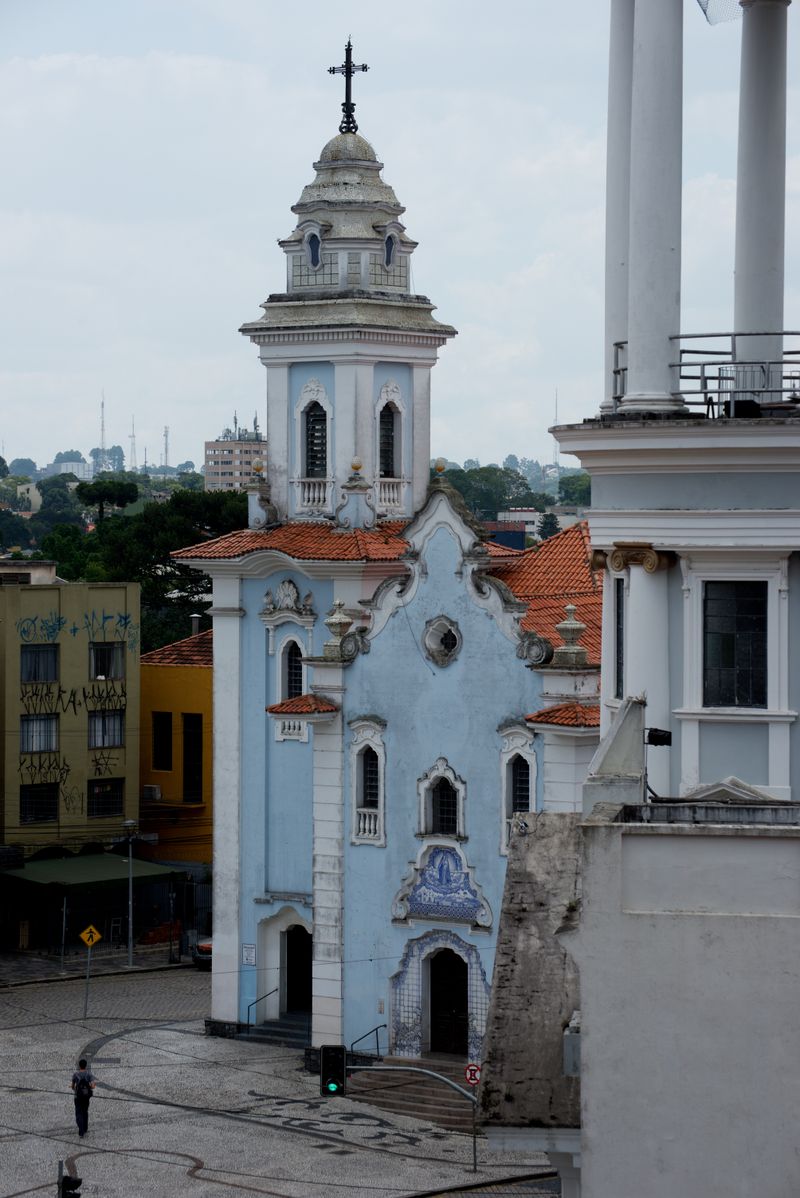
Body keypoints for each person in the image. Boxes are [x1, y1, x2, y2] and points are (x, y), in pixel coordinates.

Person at [70, 1058, 95, 1137]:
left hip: (78, 1096)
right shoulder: (89, 1074)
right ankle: (85, 1128)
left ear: (79, 1066)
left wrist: (74, 1088)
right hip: (86, 1097)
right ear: (86, 1065)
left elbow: (73, 1086)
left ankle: (81, 1129)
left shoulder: (75, 1075)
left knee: (78, 1112)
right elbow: (93, 1086)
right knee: (85, 1111)